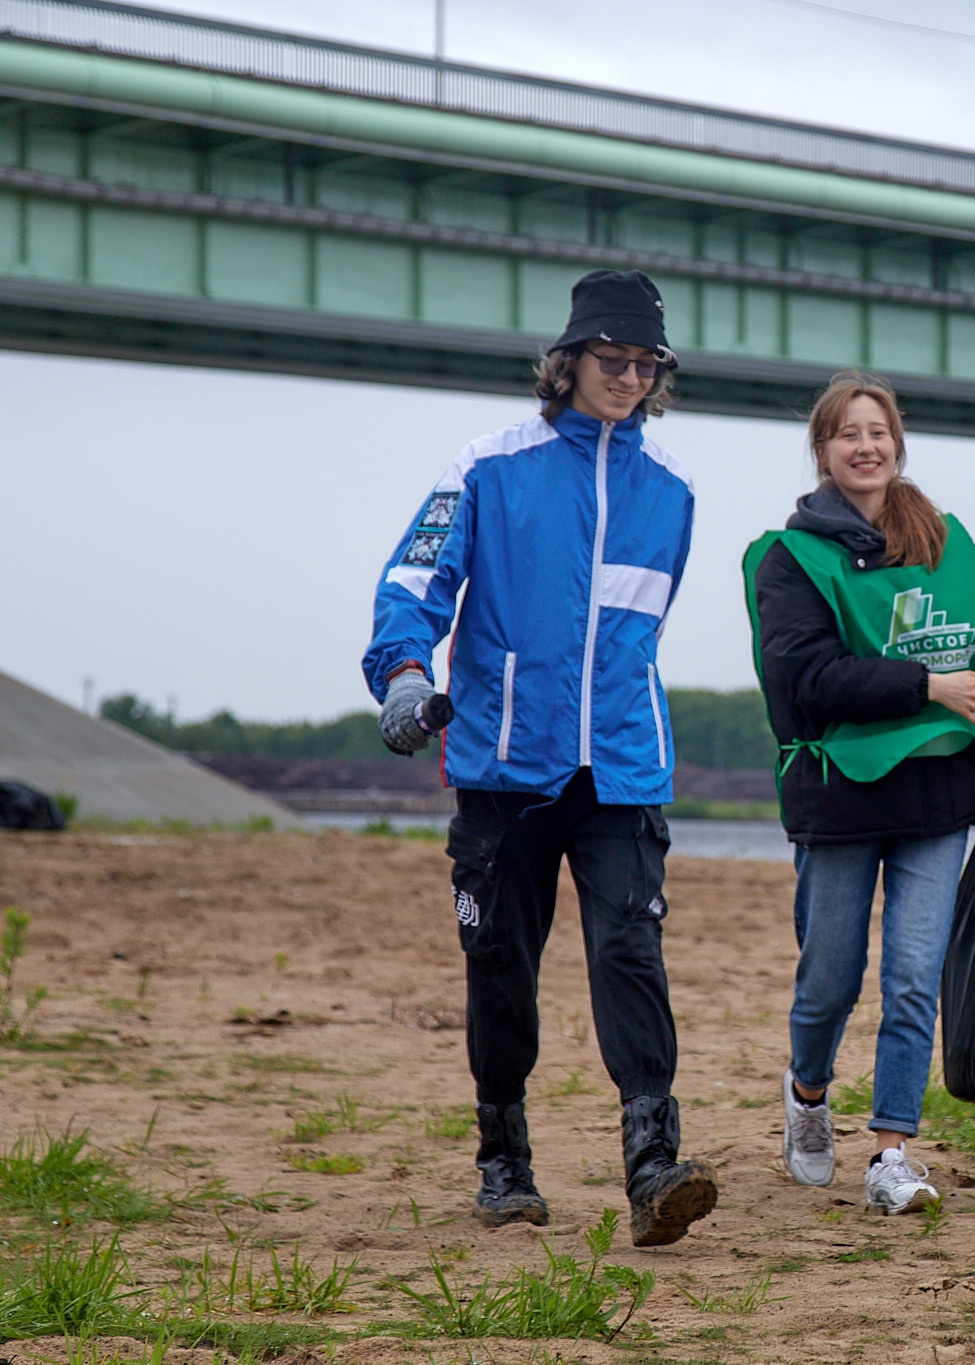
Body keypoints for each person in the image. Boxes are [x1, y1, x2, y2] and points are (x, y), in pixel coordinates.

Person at [362, 269, 718, 1247]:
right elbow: (414, 578)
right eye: (613, 360)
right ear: (566, 363)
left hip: (622, 769)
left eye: (646, 365)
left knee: (628, 950)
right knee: (501, 966)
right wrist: (400, 673)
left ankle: (652, 1163)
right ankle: (503, 1160)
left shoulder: (674, 490)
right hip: (502, 768)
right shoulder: (486, 465)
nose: (629, 378)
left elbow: (639, 631)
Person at [742, 371, 975, 1214]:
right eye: (847, 434)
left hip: (935, 792)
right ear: (823, 451)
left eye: (879, 432)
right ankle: (810, 1093)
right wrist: (932, 687)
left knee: (912, 975)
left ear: (898, 444)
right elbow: (809, 678)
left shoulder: (944, 541)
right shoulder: (791, 558)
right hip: (841, 796)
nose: (866, 446)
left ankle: (892, 1150)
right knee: (831, 974)